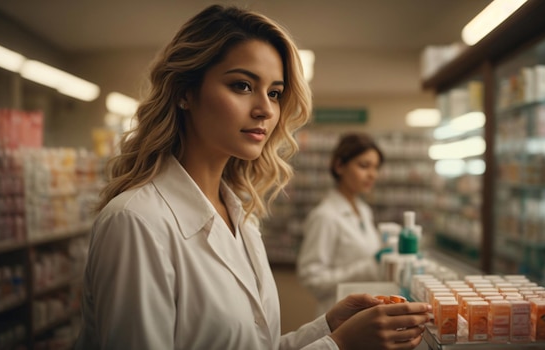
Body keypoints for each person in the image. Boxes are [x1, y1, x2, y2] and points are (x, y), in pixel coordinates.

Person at [74, 4, 430, 350]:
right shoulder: (137, 222)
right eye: (242, 86)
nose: (265, 109)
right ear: (185, 91)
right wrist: (338, 346)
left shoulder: (241, 216)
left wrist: (327, 327)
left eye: (274, 93)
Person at [297, 133, 387, 317]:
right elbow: (312, 279)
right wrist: (370, 267)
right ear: (339, 166)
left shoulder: (363, 210)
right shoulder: (325, 216)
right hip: (338, 317)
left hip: (364, 314)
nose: (372, 174)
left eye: (376, 167)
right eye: (364, 166)